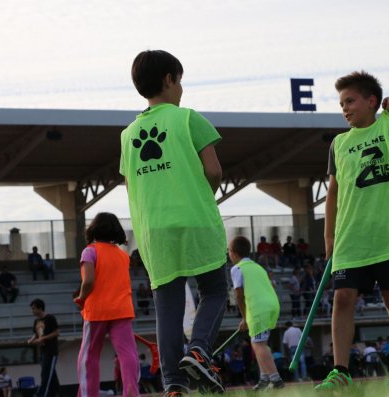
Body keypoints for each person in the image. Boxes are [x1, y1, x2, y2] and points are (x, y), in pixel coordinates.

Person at [119, 50, 227, 396]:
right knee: (214, 290)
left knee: (167, 307)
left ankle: (173, 386)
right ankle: (198, 351)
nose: (181, 88)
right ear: (169, 79)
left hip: (154, 230)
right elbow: (214, 171)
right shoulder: (188, 119)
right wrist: (199, 195)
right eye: (180, 80)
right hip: (194, 220)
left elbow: (131, 186)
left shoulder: (128, 135)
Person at [317, 71, 389, 389]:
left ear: (371, 101)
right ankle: (340, 370)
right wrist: (328, 236)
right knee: (343, 298)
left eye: (350, 100)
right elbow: (333, 194)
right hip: (352, 237)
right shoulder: (339, 144)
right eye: (341, 103)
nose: (345, 108)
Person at [73, 212, 140, 397]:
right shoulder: (122, 256)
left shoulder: (90, 251)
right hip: (122, 310)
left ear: (93, 229)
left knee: (90, 355)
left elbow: (88, 282)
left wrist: (81, 298)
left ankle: (88, 394)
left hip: (97, 311)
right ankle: (132, 392)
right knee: (128, 354)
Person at [229, 236, 284, 390]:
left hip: (258, 308)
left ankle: (276, 379)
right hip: (272, 305)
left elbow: (239, 296)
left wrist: (244, 318)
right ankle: (264, 379)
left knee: (258, 344)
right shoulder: (258, 266)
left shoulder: (237, 268)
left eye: (229, 251)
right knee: (260, 343)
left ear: (234, 253)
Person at [27, 299, 60, 397]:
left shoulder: (50, 318)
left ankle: (42, 394)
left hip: (51, 351)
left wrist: (43, 338)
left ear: (40, 308)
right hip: (42, 351)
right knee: (51, 374)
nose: (32, 311)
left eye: (33, 308)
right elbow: (36, 333)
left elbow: (56, 332)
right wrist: (31, 339)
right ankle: (57, 392)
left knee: (45, 373)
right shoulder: (36, 321)